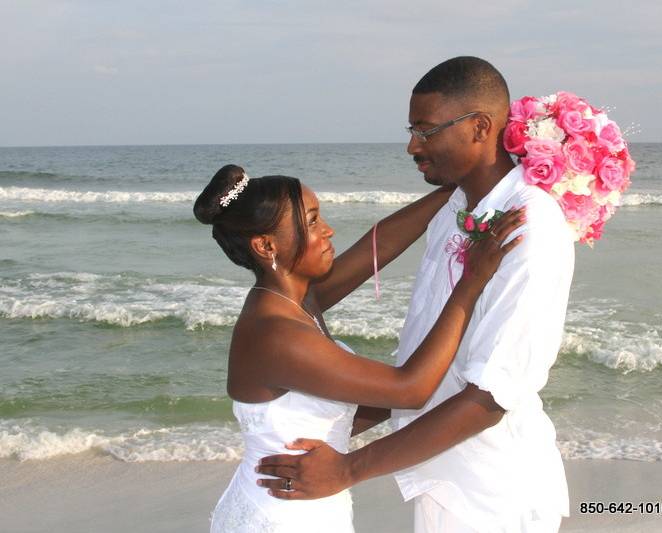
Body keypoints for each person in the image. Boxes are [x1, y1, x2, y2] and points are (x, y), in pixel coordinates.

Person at [256, 56, 575, 532]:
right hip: (443, 480)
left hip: (492, 492)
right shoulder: (455, 209)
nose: (412, 145)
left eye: (426, 131)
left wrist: (347, 469)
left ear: (479, 127)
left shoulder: (529, 225)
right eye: (412, 130)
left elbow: (491, 397)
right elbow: (430, 353)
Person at [193, 164, 525, 532]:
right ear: (266, 245)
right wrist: (472, 280)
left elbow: (377, 246)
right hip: (282, 517)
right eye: (314, 221)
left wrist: (457, 188)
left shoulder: (296, 298)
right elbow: (410, 389)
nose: (328, 230)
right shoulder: (275, 333)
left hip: (306, 503)